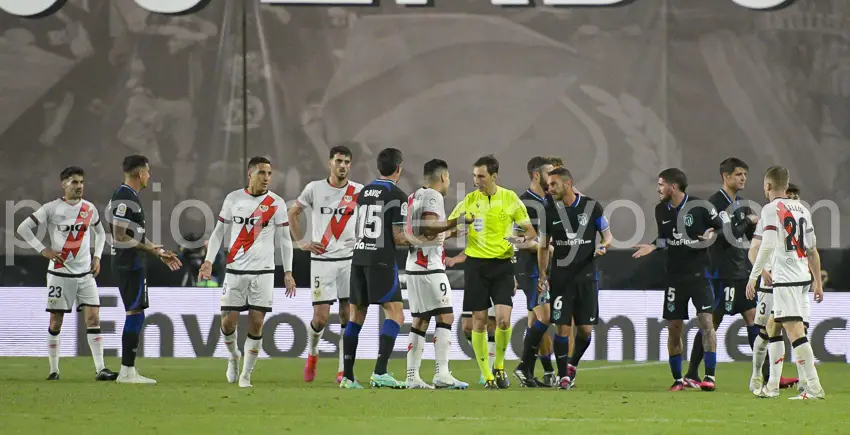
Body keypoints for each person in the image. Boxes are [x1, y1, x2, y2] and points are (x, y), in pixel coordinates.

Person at [199, 156, 297, 388]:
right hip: (235, 271)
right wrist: (208, 261)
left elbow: (285, 240)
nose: (266, 178)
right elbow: (218, 233)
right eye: (262, 173)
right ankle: (233, 357)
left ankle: (246, 375)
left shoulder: (277, 203)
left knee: (256, 323)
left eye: (269, 173)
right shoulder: (234, 199)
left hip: (263, 272)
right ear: (250, 174)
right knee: (228, 324)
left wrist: (288, 272)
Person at [442, 155, 537, 389]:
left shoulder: (510, 198)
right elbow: (448, 228)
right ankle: (487, 375)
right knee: (479, 323)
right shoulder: (470, 200)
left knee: (504, 321)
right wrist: (458, 230)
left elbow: (531, 231)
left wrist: (520, 238)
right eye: (475, 176)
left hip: (502, 266)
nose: (477, 181)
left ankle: (500, 365)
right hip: (476, 266)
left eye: (481, 176)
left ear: (494, 176)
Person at [16, 167, 117, 381]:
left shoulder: (89, 209)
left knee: (93, 318)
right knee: (56, 321)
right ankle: (54, 370)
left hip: (85, 275)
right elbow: (23, 229)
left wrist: (97, 256)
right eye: (74, 182)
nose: (79, 186)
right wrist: (43, 250)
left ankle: (101, 369)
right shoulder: (51, 208)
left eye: (81, 182)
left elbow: (100, 232)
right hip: (60, 275)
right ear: (63, 184)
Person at [633, 168, 723, 391]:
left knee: (706, 323)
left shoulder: (699, 206)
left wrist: (712, 234)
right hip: (674, 278)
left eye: (661, 184)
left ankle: (709, 377)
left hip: (699, 275)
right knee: (674, 328)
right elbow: (666, 239)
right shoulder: (660, 210)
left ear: (673, 187)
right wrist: (653, 245)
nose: (658, 189)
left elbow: (721, 228)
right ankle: (677, 379)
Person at [529, 167, 612, 389]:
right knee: (562, 328)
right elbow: (543, 246)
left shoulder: (591, 207)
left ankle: (572, 364)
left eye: (554, 184)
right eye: (548, 184)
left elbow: (608, 236)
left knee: (585, 331)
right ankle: (563, 374)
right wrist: (543, 274)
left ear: (568, 183)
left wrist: (603, 246)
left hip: (586, 277)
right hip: (561, 278)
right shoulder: (548, 211)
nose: (550, 188)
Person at [747, 167, 825, 400]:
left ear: (768, 186)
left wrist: (754, 276)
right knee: (773, 327)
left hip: (786, 279)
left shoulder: (771, 209)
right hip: (802, 277)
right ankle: (771, 386)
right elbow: (812, 250)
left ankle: (812, 387)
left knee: (795, 333)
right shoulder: (802, 208)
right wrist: (817, 281)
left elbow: (767, 245)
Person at [288, 144, 363, 384]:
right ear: (330, 163)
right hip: (322, 260)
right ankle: (312, 353)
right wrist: (301, 242)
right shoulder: (314, 189)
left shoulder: (358, 191)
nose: (343, 166)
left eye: (347, 162)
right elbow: (293, 213)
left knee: (346, 315)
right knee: (320, 318)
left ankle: (343, 368)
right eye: (339, 161)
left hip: (349, 260)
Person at [685, 158, 761, 386]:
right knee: (712, 323)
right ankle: (691, 373)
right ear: (726, 177)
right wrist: (747, 221)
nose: (743, 178)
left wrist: (757, 229)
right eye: (739, 174)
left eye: (744, 174)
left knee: (754, 319)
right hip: (721, 274)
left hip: (740, 272)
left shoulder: (740, 204)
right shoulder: (715, 204)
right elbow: (725, 237)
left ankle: (766, 376)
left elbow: (745, 237)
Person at [107, 155, 182, 384]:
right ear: (140, 174)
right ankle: (127, 371)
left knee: (137, 312)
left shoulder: (130, 197)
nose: (150, 176)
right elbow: (120, 237)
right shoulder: (123, 197)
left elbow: (133, 235)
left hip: (133, 261)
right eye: (148, 172)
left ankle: (128, 370)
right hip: (128, 263)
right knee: (135, 313)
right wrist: (148, 251)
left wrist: (158, 252)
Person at [340, 148, 410, 389]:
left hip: (359, 257)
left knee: (355, 317)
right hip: (381, 260)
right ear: (399, 168)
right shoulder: (398, 195)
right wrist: (422, 240)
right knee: (396, 314)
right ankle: (380, 371)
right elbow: (399, 237)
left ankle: (348, 377)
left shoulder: (363, 192)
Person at [403, 159, 468, 389]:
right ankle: (442, 373)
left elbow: (419, 233)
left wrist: (451, 232)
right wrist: (455, 221)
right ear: (443, 177)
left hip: (414, 265)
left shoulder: (413, 197)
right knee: (446, 317)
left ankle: (412, 376)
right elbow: (430, 227)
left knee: (420, 320)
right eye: (448, 178)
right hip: (430, 268)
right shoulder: (434, 196)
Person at [749, 183, 803, 393]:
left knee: (798, 330)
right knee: (764, 332)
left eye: (795, 197)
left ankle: (800, 381)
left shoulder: (801, 219)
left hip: (792, 282)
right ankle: (756, 375)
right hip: (771, 284)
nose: (792, 201)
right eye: (789, 196)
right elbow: (753, 250)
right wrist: (762, 272)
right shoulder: (768, 218)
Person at [512, 156, 556, 388]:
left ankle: (531, 371)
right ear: (536, 175)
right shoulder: (523, 203)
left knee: (534, 321)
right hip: (530, 270)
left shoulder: (550, 201)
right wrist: (544, 245)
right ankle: (524, 367)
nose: (553, 179)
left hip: (546, 270)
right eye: (549, 173)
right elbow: (517, 240)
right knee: (545, 317)